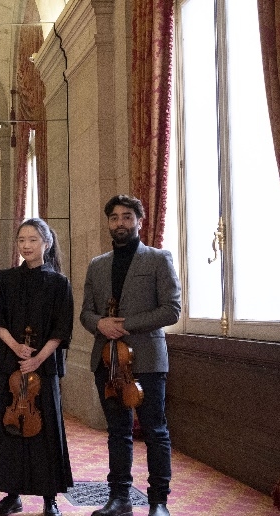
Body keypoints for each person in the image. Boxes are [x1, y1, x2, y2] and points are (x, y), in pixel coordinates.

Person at [80, 195, 180, 516]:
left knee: (155, 431)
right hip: (108, 361)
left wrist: (123, 325)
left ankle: (158, 501)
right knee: (118, 433)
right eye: (114, 218)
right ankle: (119, 497)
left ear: (139, 220)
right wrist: (100, 323)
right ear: (108, 223)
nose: (120, 222)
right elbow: (86, 313)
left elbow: (171, 309)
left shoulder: (158, 259)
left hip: (147, 360)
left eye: (127, 216)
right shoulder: (97, 265)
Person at [0, 218, 74, 516]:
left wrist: (36, 358)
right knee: (9, 429)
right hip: (9, 362)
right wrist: (16, 347)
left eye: (33, 240)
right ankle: (12, 495)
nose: (26, 245)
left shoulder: (59, 283)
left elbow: (61, 330)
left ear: (46, 243)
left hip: (43, 365)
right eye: (21, 240)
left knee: (46, 431)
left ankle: (50, 498)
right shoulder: (6, 279)